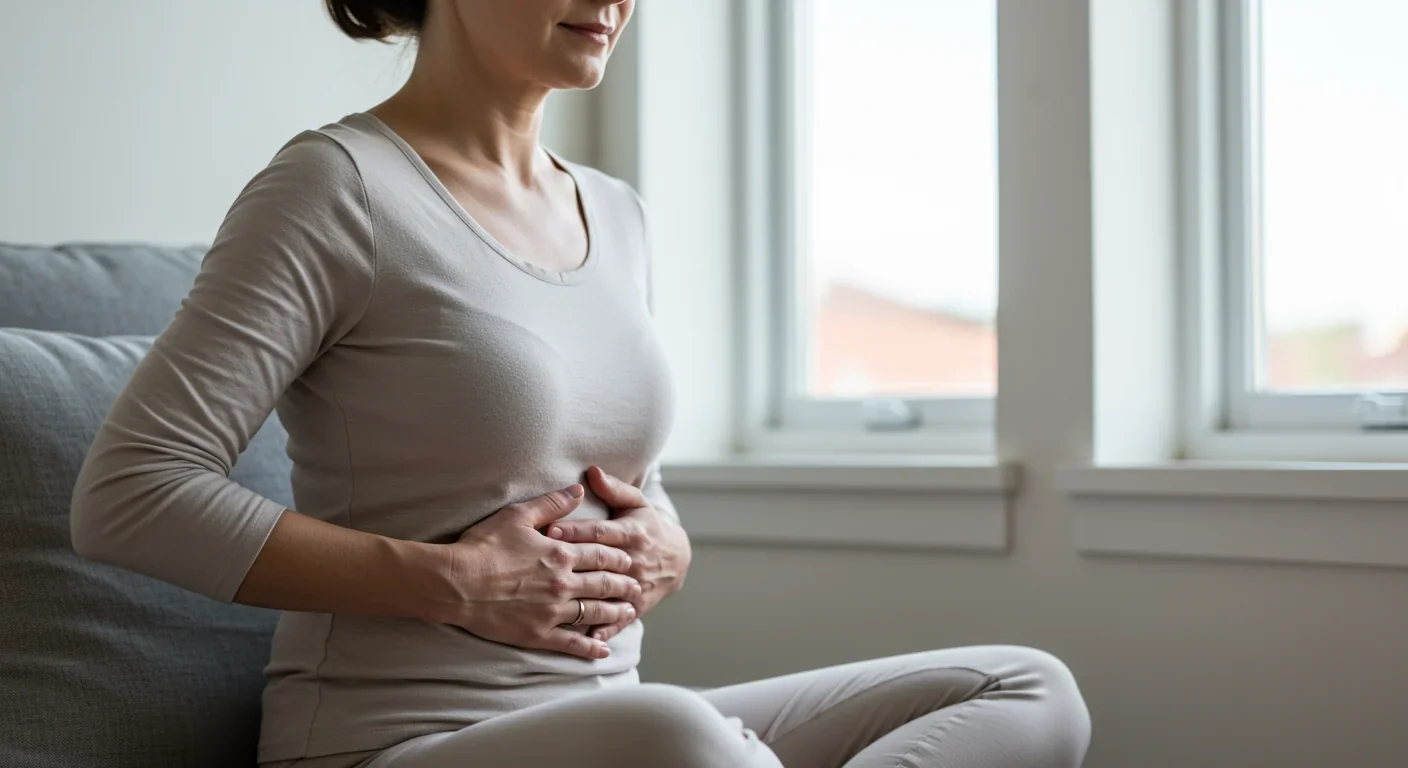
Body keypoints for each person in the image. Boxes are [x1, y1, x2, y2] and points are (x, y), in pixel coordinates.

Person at [70, 1, 1091, 765]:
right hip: (392, 740)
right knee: (677, 736)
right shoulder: (336, 187)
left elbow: (619, 474)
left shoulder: (616, 213)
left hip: (620, 724)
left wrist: (671, 544)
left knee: (1025, 688)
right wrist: (455, 582)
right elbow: (130, 494)